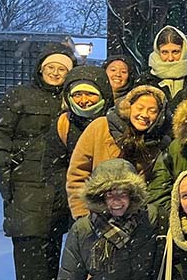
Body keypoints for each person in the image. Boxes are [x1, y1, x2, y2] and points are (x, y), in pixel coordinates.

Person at [0, 43, 76, 280]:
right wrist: (3, 170)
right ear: (40, 68)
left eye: (62, 69)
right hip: (25, 177)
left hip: (59, 178)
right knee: (28, 238)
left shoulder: (72, 99)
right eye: (51, 67)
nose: (55, 73)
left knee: (52, 236)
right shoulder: (19, 96)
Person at [66, 85, 169, 219]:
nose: (144, 115)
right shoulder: (100, 127)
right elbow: (78, 174)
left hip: (135, 218)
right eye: (139, 108)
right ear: (128, 107)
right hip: (96, 214)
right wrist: (82, 215)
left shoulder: (160, 143)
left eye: (152, 111)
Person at [57, 65, 114, 156]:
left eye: (90, 94)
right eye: (77, 95)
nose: (84, 100)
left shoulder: (115, 122)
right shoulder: (63, 123)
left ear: (102, 95)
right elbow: (53, 160)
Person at [137, 25, 187, 105]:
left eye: (175, 52)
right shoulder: (145, 81)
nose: (170, 58)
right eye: (164, 52)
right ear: (158, 52)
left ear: (184, 51)